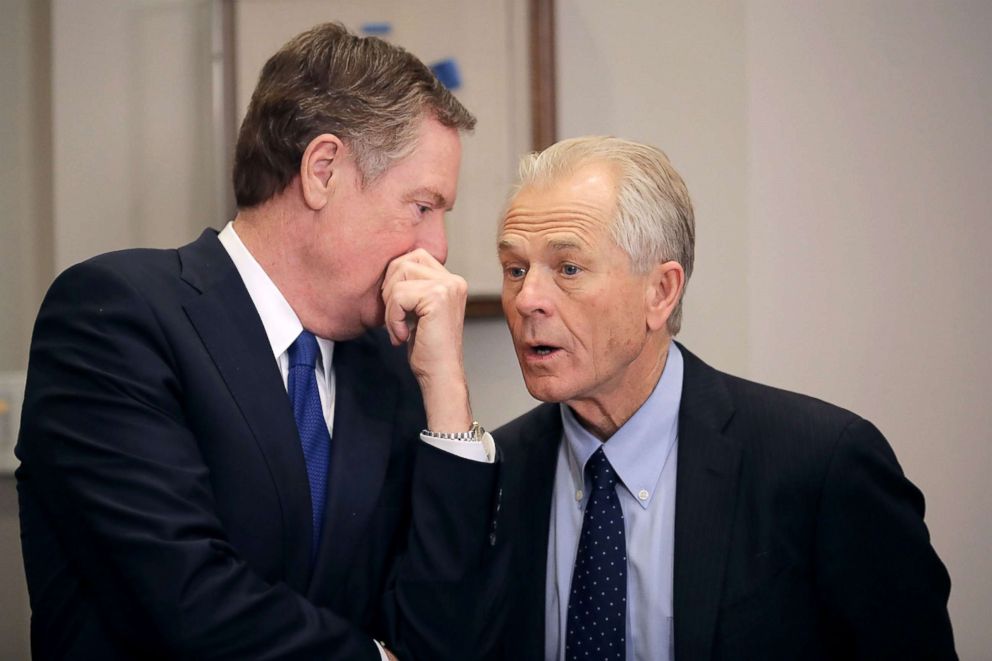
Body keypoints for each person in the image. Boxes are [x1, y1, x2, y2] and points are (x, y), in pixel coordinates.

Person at [17, 22, 501, 660]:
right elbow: (186, 601)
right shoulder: (116, 316)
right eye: (422, 206)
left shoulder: (388, 366)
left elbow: (442, 629)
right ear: (322, 170)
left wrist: (446, 390)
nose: (437, 248)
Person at [491, 136, 956, 660]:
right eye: (515, 269)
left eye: (568, 268)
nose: (528, 298)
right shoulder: (494, 475)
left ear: (661, 292)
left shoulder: (821, 464)